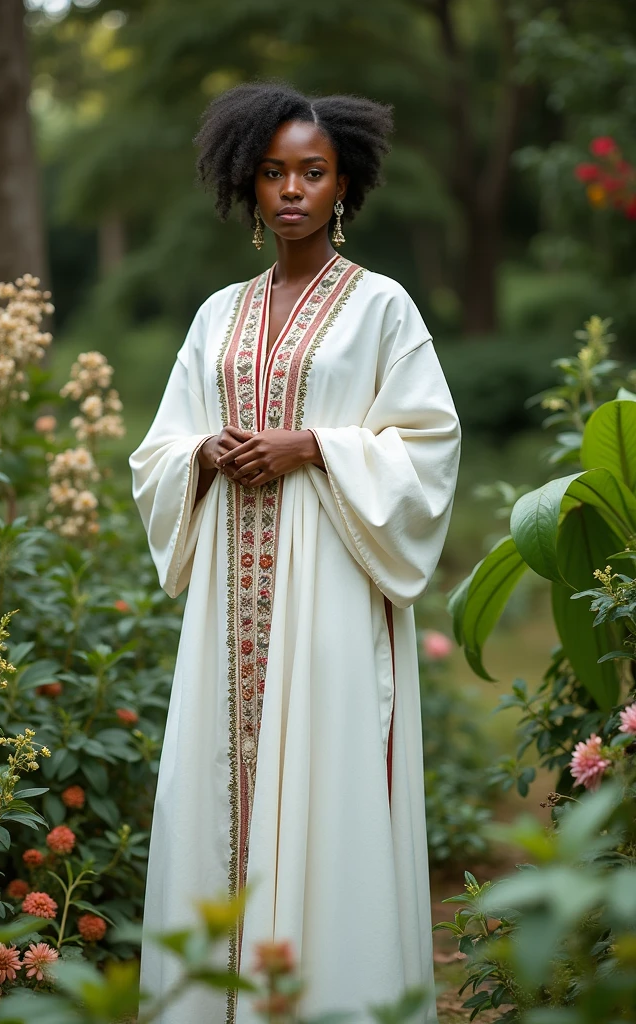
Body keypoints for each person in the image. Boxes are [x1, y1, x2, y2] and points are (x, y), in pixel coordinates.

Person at [130, 81, 461, 1024]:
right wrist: (206, 452)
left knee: (327, 788)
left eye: (312, 173)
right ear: (248, 183)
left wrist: (314, 445)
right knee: (219, 793)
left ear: (344, 184)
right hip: (227, 601)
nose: (291, 191)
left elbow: (428, 444)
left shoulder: (383, 309)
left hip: (330, 597)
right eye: (273, 172)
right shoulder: (218, 317)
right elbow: (160, 445)